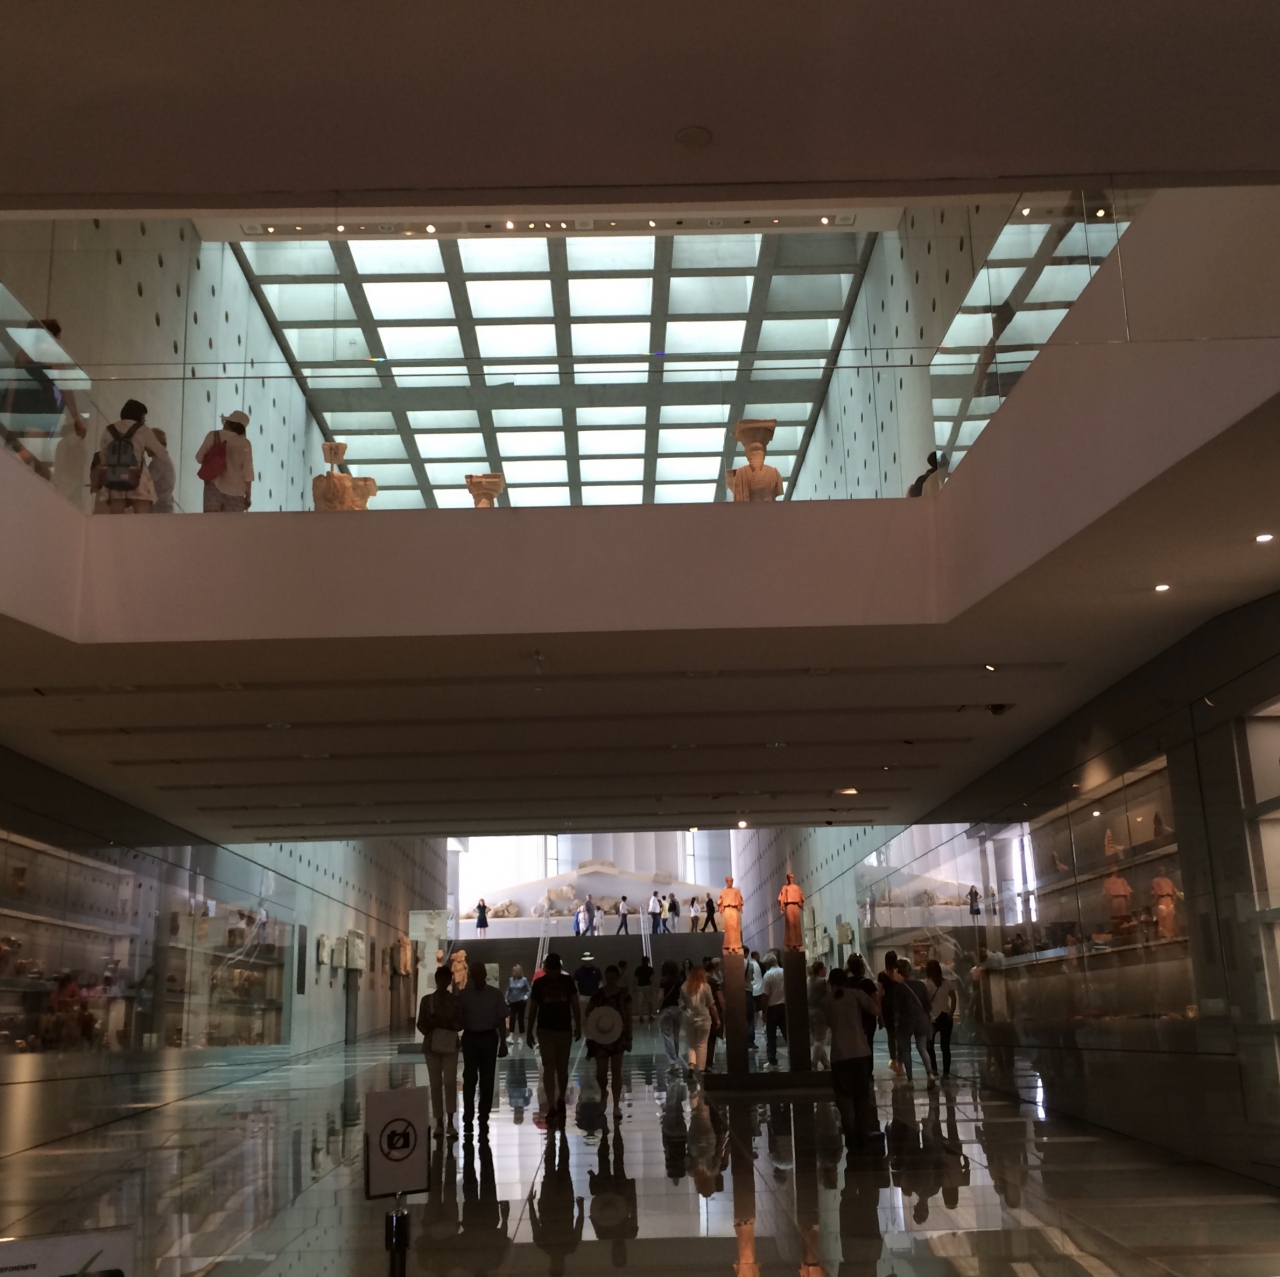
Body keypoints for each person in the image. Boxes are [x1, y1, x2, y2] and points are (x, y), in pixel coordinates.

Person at [825, 968, 881, 1149]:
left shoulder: (827, 1000)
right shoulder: (856, 994)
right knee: (861, 1095)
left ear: (831, 982)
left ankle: (849, 1131)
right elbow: (875, 1010)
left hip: (839, 1054)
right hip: (860, 1051)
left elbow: (829, 1022)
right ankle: (861, 1131)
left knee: (843, 1095)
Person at [527, 953, 582, 1123]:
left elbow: (534, 1008)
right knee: (552, 1066)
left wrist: (578, 1025)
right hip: (552, 1029)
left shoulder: (546, 983)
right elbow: (574, 1004)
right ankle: (554, 1102)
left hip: (555, 1029)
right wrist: (578, 1025)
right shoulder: (560, 982)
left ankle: (557, 1101)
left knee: (557, 1066)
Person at [459, 961, 508, 1134]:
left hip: (489, 1037)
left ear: (485, 975)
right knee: (469, 1077)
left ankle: (484, 1114)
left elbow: (501, 1020)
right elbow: (459, 1018)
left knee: (487, 1079)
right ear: (471, 976)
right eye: (475, 974)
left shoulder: (495, 994)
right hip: (470, 1037)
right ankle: (468, 1114)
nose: (477, 977)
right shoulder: (464, 995)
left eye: (480, 974)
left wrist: (503, 1042)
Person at [92, 399, 164, 514]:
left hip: (114, 481)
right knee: (141, 519)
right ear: (139, 415)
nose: (144, 420)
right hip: (139, 481)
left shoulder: (109, 430)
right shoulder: (143, 430)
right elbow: (161, 452)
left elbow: (103, 457)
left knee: (117, 519)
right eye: (144, 416)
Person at [418, 965, 464, 1139]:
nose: (443, 982)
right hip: (432, 1045)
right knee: (435, 1083)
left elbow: (461, 1022)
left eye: (446, 979)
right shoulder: (427, 1001)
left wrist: (447, 1025)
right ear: (437, 980)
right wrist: (433, 1028)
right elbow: (421, 1023)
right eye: (441, 979)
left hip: (450, 1044)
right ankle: (438, 1121)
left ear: (449, 981)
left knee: (450, 1082)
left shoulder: (455, 1001)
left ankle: (450, 1121)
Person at [585, 965, 632, 1114]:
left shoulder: (624, 994)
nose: (610, 981)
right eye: (608, 978)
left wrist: (629, 1037)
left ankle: (616, 1105)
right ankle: (603, 1092)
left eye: (613, 978)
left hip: (619, 1035)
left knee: (616, 1070)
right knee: (601, 1071)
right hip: (601, 1035)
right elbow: (588, 1011)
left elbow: (628, 1016)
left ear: (617, 978)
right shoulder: (598, 994)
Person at [195, 409, 254, 512]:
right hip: (237, 493)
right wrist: (248, 496)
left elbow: (199, 458)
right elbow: (248, 473)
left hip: (214, 488)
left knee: (211, 521)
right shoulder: (245, 444)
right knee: (231, 523)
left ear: (228, 422)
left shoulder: (214, 435)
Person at [890, 959, 936, 1084]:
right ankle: (930, 1073)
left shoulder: (899, 988)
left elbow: (897, 1009)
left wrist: (896, 1024)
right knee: (922, 1048)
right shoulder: (921, 985)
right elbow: (928, 1005)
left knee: (906, 1050)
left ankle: (910, 1078)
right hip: (921, 1020)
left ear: (899, 972)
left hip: (906, 1022)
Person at [679, 964, 719, 1078]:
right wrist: (717, 1019)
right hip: (703, 1019)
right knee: (702, 1044)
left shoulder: (684, 986)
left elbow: (681, 1004)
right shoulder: (705, 986)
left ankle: (691, 1066)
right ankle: (701, 1069)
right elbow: (711, 1005)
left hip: (689, 1019)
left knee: (692, 1044)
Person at [925, 959, 957, 1078]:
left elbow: (925, 1002)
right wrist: (951, 1013)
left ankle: (934, 1069)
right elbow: (953, 999)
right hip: (946, 1016)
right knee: (945, 1047)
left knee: (930, 1045)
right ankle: (946, 1073)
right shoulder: (947, 982)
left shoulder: (926, 984)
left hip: (932, 1018)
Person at [761, 954, 787, 1069]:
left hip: (772, 1008)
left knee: (771, 1036)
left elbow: (765, 995)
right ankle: (795, 1056)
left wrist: (764, 1011)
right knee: (787, 1033)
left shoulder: (768, 975)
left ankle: (772, 1061)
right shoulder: (785, 972)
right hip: (785, 1006)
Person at [877, 951, 901, 1075]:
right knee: (901, 1035)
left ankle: (894, 1060)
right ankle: (901, 1063)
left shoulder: (882, 975)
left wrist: (879, 1012)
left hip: (887, 1006)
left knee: (891, 1035)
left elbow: (880, 994)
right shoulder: (899, 974)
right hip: (899, 1005)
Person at [657, 960, 683, 1067]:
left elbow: (661, 997)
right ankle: (676, 1058)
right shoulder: (680, 980)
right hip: (677, 1009)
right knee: (676, 1036)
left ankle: (673, 1062)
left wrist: (658, 1008)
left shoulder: (663, 980)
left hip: (666, 1009)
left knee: (668, 1036)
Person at [147, 428, 176, 513]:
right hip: (164, 509)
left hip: (159, 511)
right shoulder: (164, 459)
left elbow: (146, 483)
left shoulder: (159, 462)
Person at [808, 960, 831, 1069]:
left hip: (809, 1012)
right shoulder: (823, 982)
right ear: (820, 970)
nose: (826, 970)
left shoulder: (808, 981)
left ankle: (826, 1063)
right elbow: (828, 998)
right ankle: (814, 1062)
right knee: (821, 1040)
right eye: (824, 968)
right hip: (821, 1013)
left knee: (817, 1039)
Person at [506, 964, 531, 1038]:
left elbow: (529, 990)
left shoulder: (524, 980)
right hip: (512, 1001)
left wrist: (526, 996)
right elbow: (508, 990)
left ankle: (521, 1035)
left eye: (514, 971)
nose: (513, 972)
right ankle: (511, 1035)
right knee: (512, 1018)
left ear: (518, 972)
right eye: (513, 971)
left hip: (521, 1001)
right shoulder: (511, 979)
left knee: (520, 1018)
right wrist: (506, 998)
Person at [745, 950, 763, 1048]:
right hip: (750, 990)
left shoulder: (739, 963)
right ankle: (750, 1041)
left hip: (739, 992)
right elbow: (752, 978)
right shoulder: (751, 965)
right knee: (750, 1018)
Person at [634, 955, 654, 1021]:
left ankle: (641, 1016)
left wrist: (634, 987)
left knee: (640, 1002)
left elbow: (635, 979)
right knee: (650, 1001)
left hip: (639, 986)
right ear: (647, 961)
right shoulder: (650, 969)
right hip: (648, 985)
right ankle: (650, 1015)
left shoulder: (638, 969)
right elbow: (652, 978)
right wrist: (653, 987)